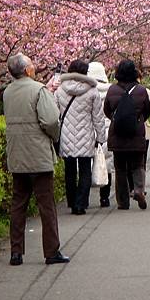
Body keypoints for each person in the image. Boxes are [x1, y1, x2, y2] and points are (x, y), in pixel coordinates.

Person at [3, 53, 69, 266]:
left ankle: (16, 252)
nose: (34, 67)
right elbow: (50, 120)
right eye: (31, 64)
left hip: (17, 154)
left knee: (18, 203)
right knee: (46, 205)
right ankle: (51, 251)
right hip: (38, 154)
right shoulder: (38, 90)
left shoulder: (7, 92)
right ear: (26, 70)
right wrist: (54, 136)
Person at [55, 59, 106, 214]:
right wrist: (101, 137)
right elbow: (98, 117)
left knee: (69, 171)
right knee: (85, 170)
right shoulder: (92, 91)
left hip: (66, 136)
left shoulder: (60, 90)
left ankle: (71, 202)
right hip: (86, 135)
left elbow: (55, 115)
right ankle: (81, 203)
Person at [104, 59, 150, 210]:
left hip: (117, 135)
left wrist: (116, 119)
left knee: (120, 168)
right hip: (136, 134)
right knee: (137, 164)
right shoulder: (141, 90)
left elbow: (107, 110)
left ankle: (123, 202)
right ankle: (138, 190)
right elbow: (147, 111)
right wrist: (137, 120)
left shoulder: (112, 90)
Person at [88, 61, 113, 207]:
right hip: (108, 129)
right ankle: (105, 198)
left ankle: (85, 195)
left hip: (91, 130)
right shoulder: (111, 89)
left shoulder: (87, 90)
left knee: (90, 163)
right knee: (107, 164)